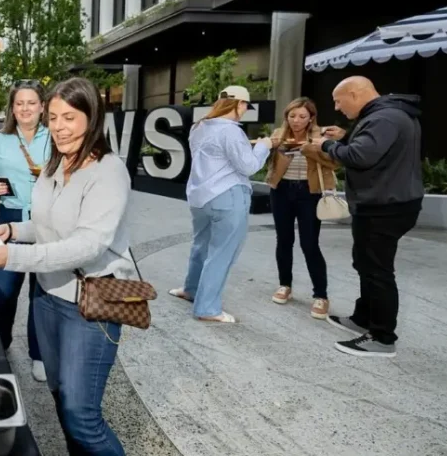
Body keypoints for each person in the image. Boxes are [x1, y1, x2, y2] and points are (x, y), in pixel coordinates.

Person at [0, 77, 136, 456]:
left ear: (91, 118)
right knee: (62, 401)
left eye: (70, 117)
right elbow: (45, 224)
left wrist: (12, 256)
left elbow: (87, 244)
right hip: (48, 298)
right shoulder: (54, 164)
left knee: (82, 416)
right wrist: (10, 228)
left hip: (90, 304)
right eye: (54, 117)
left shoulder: (107, 170)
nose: (59, 126)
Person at [304, 76, 423, 358]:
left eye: (338, 100)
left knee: (377, 271)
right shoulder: (388, 114)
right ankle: (363, 318)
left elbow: (360, 156)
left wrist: (325, 146)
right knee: (365, 263)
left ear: (355, 94)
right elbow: (376, 149)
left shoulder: (384, 118)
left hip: (384, 207)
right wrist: (344, 137)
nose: (336, 107)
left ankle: (382, 338)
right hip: (385, 202)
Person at [171, 86, 275, 323]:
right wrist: (263, 147)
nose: (245, 110)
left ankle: (192, 289)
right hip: (227, 196)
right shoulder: (231, 131)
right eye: (246, 106)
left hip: (199, 197)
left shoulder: (199, 127)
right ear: (239, 104)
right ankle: (207, 307)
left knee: (201, 246)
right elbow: (248, 166)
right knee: (222, 253)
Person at [0, 79, 50, 382]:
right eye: (19, 103)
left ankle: (40, 353)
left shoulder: (55, 137)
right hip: (9, 216)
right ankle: (0, 343)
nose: (25, 109)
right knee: (2, 288)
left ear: (42, 106)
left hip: (48, 220)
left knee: (43, 289)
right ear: (12, 107)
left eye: (31, 103)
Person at [265, 97, 338, 319]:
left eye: (302, 116)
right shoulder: (279, 133)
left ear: (311, 118)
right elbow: (265, 160)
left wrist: (310, 150)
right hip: (281, 191)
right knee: (284, 240)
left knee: (309, 243)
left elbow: (334, 162)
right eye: (292, 115)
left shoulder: (320, 136)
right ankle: (284, 284)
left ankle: (321, 295)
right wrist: (272, 147)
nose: (296, 121)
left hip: (309, 193)